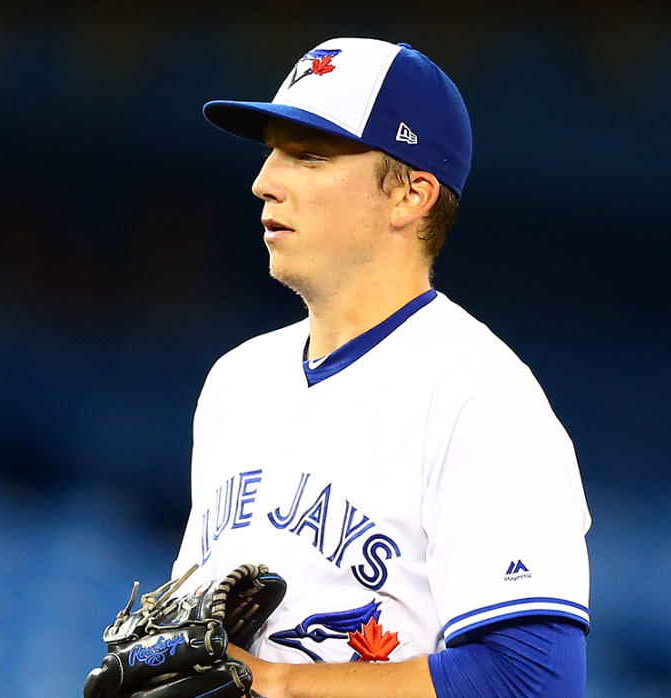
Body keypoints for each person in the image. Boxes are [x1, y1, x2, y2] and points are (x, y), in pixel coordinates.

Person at [170, 37, 592, 697]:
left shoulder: (479, 397)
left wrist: (276, 684)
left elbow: (530, 680)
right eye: (270, 153)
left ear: (410, 195)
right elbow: (203, 651)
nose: (264, 181)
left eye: (308, 156)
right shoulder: (236, 381)